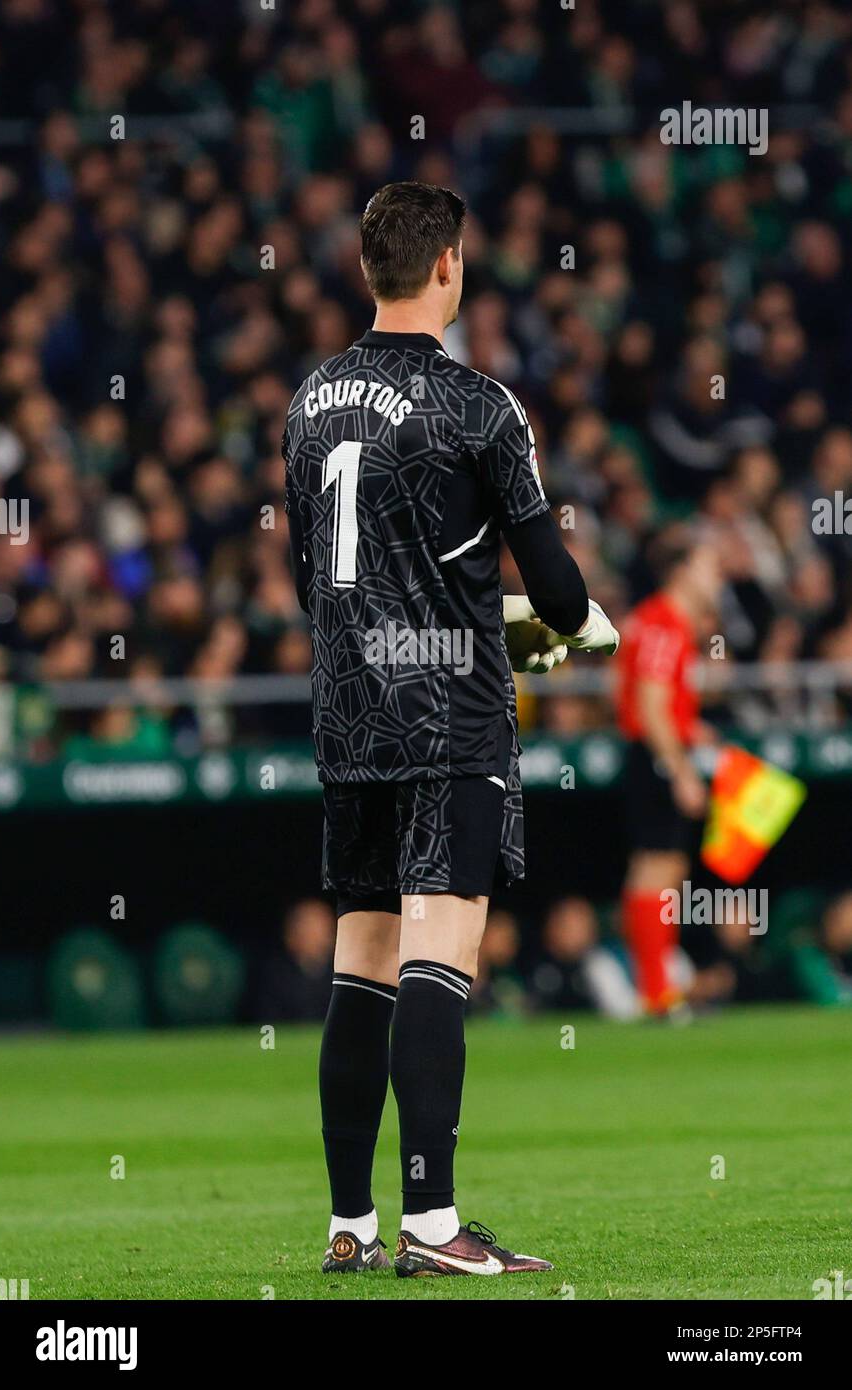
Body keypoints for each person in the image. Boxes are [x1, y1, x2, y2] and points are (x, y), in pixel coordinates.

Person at [283, 181, 619, 1277]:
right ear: (448, 268)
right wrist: (553, 628)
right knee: (439, 954)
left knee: (359, 963)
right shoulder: (478, 403)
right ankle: (433, 1226)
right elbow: (559, 594)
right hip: (448, 717)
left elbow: (323, 581)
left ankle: (349, 1223)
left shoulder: (307, 400)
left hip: (347, 711)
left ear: (367, 270)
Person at [616, 530, 722, 1016]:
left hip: (654, 750)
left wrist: (692, 729)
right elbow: (650, 707)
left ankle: (658, 985)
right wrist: (680, 770)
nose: (716, 575)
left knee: (666, 869)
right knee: (656, 869)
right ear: (681, 570)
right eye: (707, 565)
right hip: (656, 755)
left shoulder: (664, 622)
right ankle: (656, 990)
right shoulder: (664, 623)